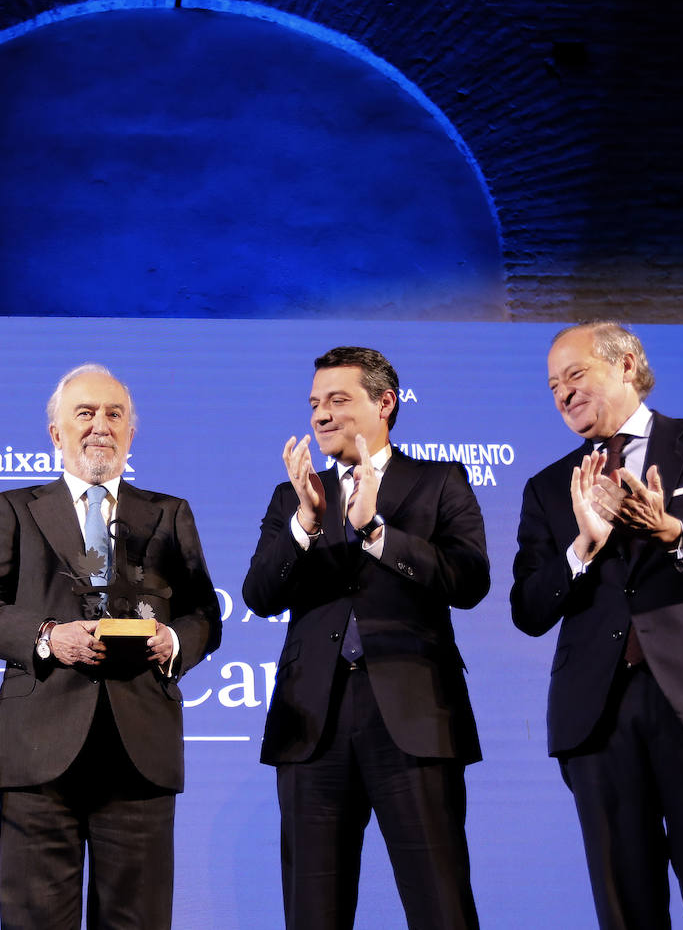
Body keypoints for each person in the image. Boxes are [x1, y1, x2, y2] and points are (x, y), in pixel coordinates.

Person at [511, 321, 683, 928]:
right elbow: (528, 609)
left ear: (627, 364)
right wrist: (581, 548)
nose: (562, 394)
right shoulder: (549, 487)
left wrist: (675, 533)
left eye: (575, 374)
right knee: (625, 911)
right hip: (598, 717)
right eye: (553, 386)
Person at [0, 364, 220, 930]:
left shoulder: (169, 512)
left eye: (114, 414)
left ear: (130, 433)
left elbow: (205, 614)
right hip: (38, 752)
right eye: (85, 413)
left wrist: (174, 640)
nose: (101, 425)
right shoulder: (14, 508)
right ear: (56, 433)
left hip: (141, 752)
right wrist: (48, 637)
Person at [243, 346, 490, 929]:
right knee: (313, 913)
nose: (321, 415)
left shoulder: (439, 482)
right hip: (313, 722)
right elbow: (259, 595)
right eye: (314, 403)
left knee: (441, 906)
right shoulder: (292, 496)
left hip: (414, 714)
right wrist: (305, 525)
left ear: (385, 403)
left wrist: (377, 532)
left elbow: (469, 581)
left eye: (337, 399)